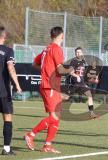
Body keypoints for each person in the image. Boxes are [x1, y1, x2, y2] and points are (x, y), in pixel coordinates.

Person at [24, 26, 74, 153]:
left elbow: (35, 64)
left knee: (57, 116)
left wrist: (46, 70)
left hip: (50, 86)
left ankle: (47, 145)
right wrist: (71, 69)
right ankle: (31, 134)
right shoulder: (56, 49)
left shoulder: (46, 49)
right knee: (54, 117)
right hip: (50, 86)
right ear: (61, 35)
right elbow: (60, 70)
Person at [0, 26, 22, 155]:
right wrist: (17, 85)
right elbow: (10, 68)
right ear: (4, 36)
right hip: (3, 91)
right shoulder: (8, 51)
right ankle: (7, 149)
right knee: (7, 118)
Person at [68, 47, 98, 118]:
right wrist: (77, 76)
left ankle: (92, 113)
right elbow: (70, 72)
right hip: (75, 83)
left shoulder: (83, 62)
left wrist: (91, 78)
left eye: (79, 52)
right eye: (76, 52)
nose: (77, 53)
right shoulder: (74, 61)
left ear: (82, 53)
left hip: (81, 84)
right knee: (66, 97)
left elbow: (84, 74)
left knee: (89, 96)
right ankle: (55, 107)